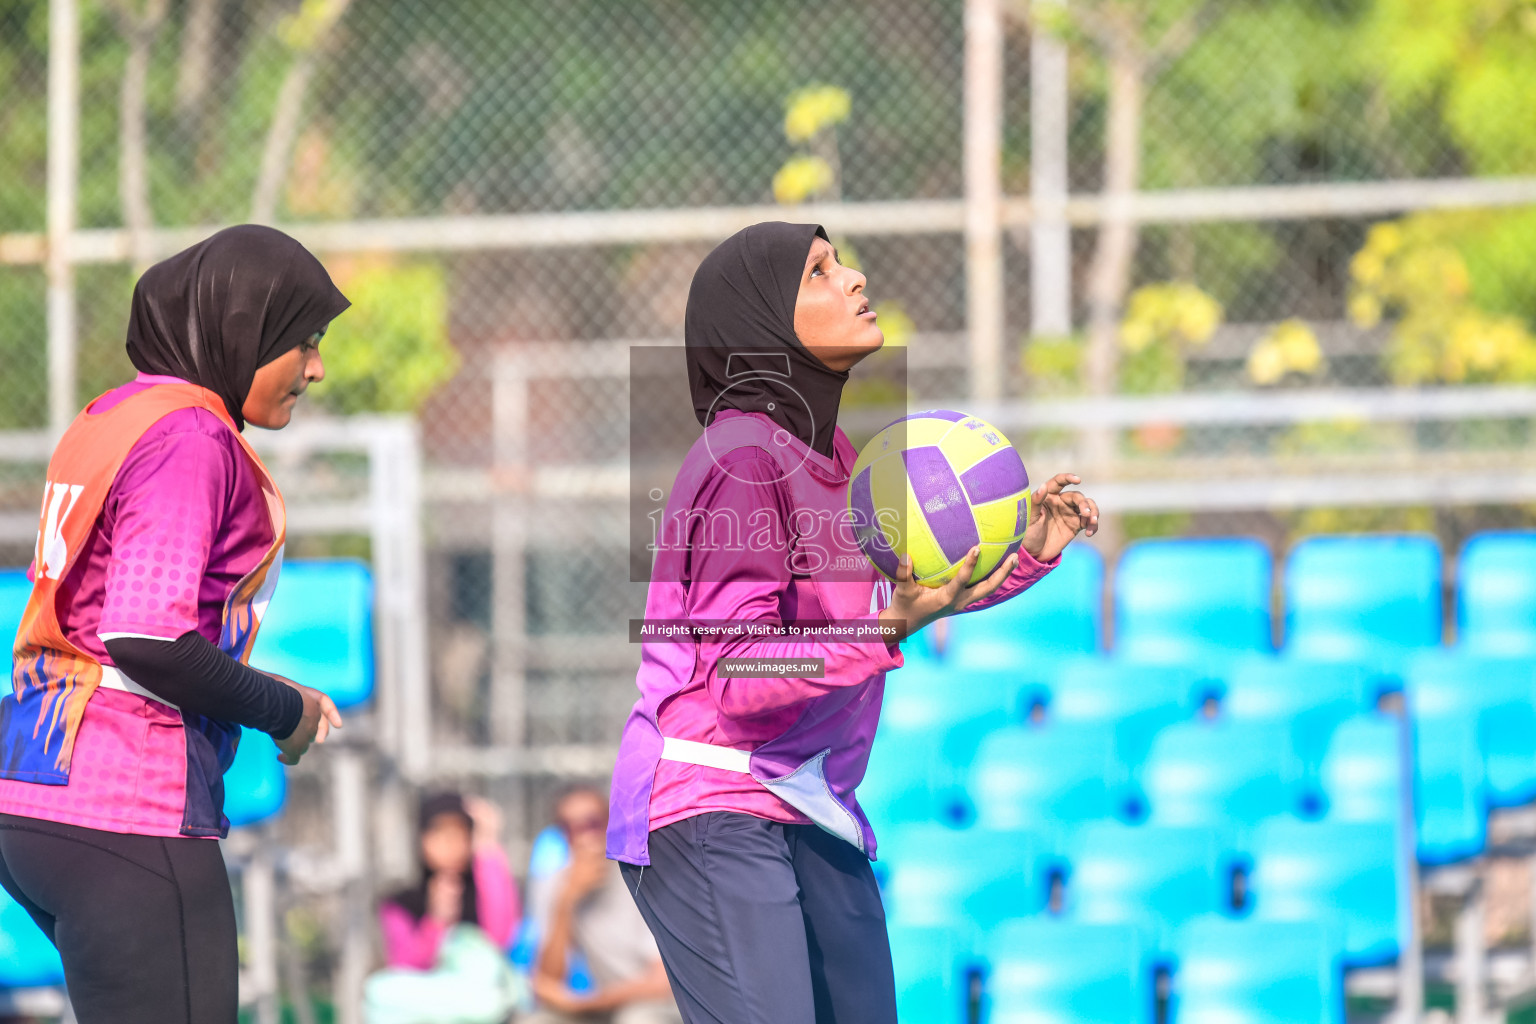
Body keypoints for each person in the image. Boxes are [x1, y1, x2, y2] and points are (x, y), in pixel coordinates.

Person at [607, 222, 1100, 1024]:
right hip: (713, 801)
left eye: (840, 263)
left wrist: (1029, 550)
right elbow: (742, 674)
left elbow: (893, 609)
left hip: (807, 802)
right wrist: (884, 632)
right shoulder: (742, 457)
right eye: (818, 272)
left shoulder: (832, 456)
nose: (855, 278)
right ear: (761, 322)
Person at [0, 225, 349, 1023]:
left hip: (36, 792)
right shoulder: (190, 436)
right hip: (125, 803)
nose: (315, 368)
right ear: (242, 331)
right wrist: (281, 710)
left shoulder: (110, 416)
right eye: (303, 342)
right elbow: (146, 636)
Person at [364, 792, 524, 1024]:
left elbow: (502, 936)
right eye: (439, 834)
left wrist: (488, 846)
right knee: (378, 990)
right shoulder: (401, 902)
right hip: (433, 1004)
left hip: (484, 1000)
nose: (450, 844)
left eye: (460, 834)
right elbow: (406, 967)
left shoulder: (484, 888)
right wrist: (436, 921)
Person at [527, 786, 680, 1024]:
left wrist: (585, 1004)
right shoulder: (556, 883)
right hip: (608, 1006)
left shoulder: (641, 875)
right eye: (569, 828)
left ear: (610, 824)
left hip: (662, 1006)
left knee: (637, 1019)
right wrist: (566, 902)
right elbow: (547, 985)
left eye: (592, 824)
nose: (583, 837)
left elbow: (663, 983)